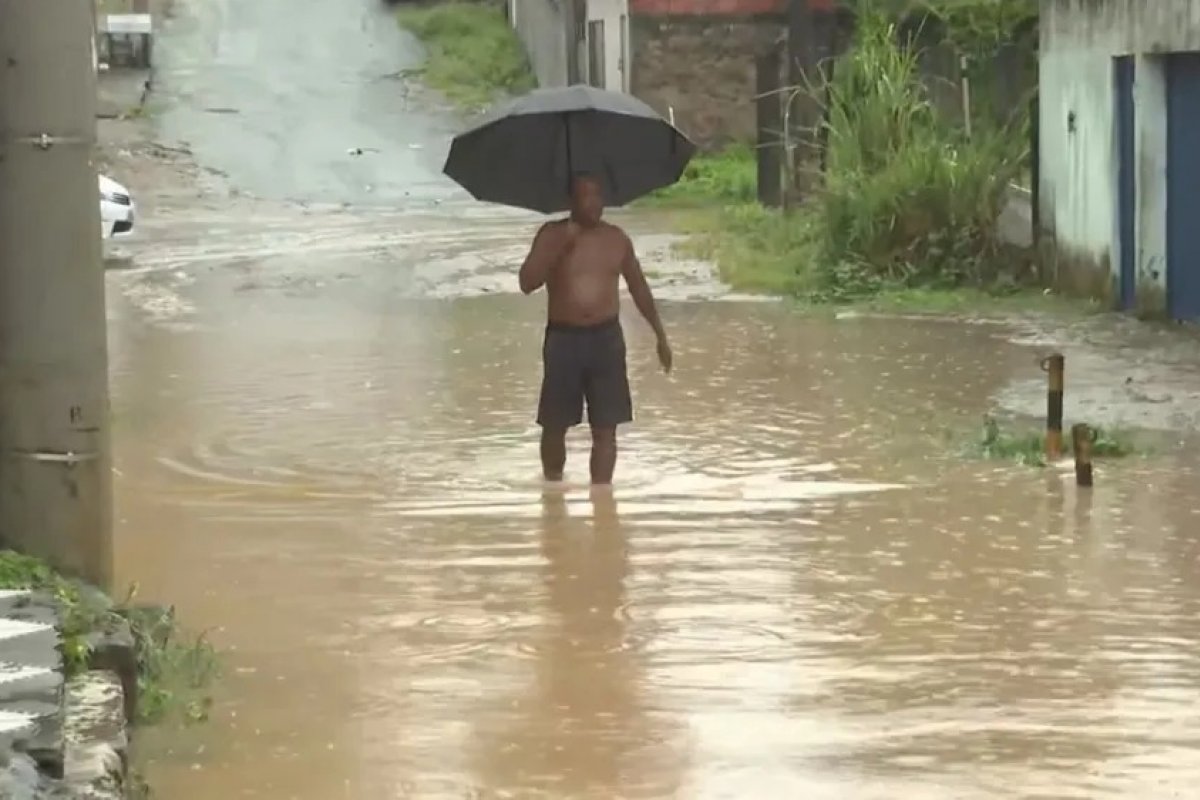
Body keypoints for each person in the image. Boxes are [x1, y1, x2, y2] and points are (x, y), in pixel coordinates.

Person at [518, 174, 672, 486]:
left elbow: (639, 287)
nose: (593, 203)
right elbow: (526, 283)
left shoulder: (616, 238)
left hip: (606, 340)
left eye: (597, 196)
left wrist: (660, 334)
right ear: (570, 201)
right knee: (554, 423)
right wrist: (558, 247)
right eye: (585, 196)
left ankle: (602, 500)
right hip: (563, 339)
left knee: (606, 427)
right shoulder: (552, 234)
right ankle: (552, 489)